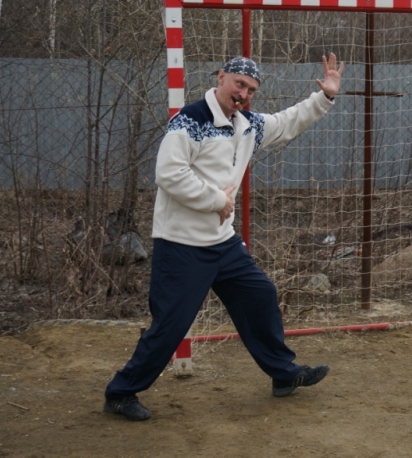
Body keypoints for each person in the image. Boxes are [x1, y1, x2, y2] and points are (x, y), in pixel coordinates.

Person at [103, 53, 345, 421]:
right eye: (239, 84)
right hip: (182, 245)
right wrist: (217, 200)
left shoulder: (246, 124)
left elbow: (287, 121)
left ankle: (284, 375)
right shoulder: (189, 121)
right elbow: (168, 174)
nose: (243, 94)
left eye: (250, 90)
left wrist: (325, 96)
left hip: (223, 244)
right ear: (221, 77)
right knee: (170, 326)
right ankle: (121, 393)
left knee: (260, 295)